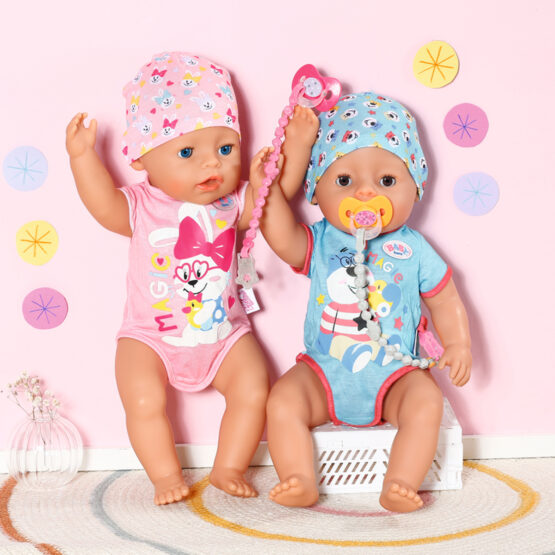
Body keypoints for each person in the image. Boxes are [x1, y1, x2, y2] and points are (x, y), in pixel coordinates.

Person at [65, 51, 306, 505]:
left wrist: (293, 150)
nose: (211, 165)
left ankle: (229, 466)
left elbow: (272, 199)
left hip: (224, 334)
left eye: (225, 149)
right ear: (142, 157)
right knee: (142, 400)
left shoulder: (231, 203)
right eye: (188, 152)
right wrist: (82, 158)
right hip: (149, 337)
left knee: (254, 388)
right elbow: (102, 206)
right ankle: (163, 475)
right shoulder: (141, 205)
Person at [259, 91, 472, 513]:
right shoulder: (320, 240)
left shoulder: (413, 248)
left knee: (425, 402)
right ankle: (299, 477)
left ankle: (400, 481)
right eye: (344, 181)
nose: (364, 193)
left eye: (387, 182)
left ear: (416, 188)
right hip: (324, 371)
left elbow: (445, 298)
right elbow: (278, 234)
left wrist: (458, 343)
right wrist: (264, 187)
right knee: (282, 400)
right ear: (316, 191)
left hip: (395, 375)